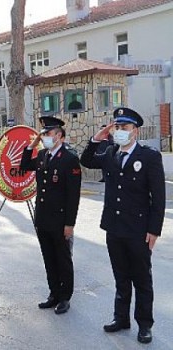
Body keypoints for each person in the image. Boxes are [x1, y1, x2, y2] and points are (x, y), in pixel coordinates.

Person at [80, 107, 165, 344]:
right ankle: (121, 318)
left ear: (135, 131)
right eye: (116, 127)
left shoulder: (149, 156)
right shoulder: (110, 153)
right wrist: (97, 138)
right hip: (114, 228)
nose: (119, 131)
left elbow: (158, 197)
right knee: (120, 277)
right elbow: (85, 160)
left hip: (138, 231)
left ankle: (145, 325)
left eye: (124, 128)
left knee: (142, 279)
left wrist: (153, 230)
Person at [20, 116, 81, 315]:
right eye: (43, 133)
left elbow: (73, 196)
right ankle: (53, 293)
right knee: (48, 258)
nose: (45, 136)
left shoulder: (69, 159)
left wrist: (69, 224)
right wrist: (33, 143)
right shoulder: (43, 154)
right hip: (43, 218)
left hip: (61, 220)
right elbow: (24, 165)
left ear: (60, 136)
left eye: (48, 133)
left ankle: (65, 297)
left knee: (63, 259)